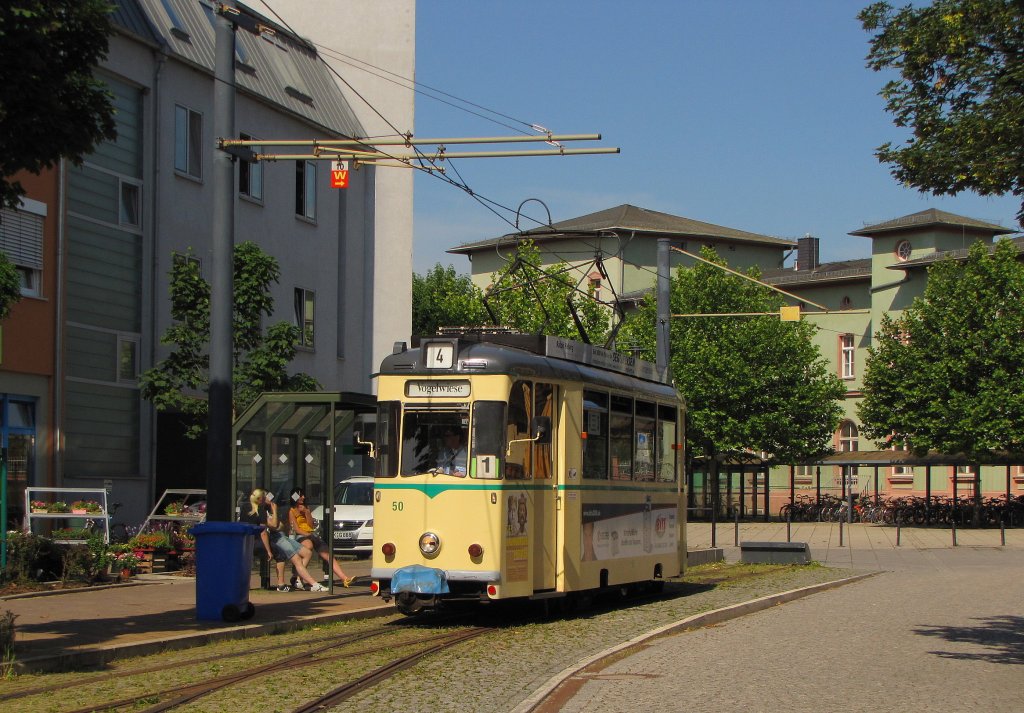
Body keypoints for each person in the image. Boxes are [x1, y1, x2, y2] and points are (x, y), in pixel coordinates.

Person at [241, 488, 327, 592]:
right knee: (293, 558)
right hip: (274, 538)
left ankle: (297, 579)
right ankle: (312, 583)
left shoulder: (263, 509)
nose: (270, 499)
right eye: (267, 497)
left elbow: (280, 526)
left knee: (307, 553)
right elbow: (273, 526)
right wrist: (275, 511)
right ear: (261, 498)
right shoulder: (261, 510)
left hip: (281, 536)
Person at [287, 487, 355, 587]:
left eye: (303, 495)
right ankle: (298, 577)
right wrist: (307, 534)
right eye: (301, 495)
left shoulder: (306, 508)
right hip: (300, 535)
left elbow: (310, 525)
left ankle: (344, 578)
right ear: (296, 497)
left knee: (327, 553)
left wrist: (306, 512)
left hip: (311, 533)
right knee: (308, 546)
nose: (303, 497)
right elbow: (296, 529)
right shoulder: (291, 511)